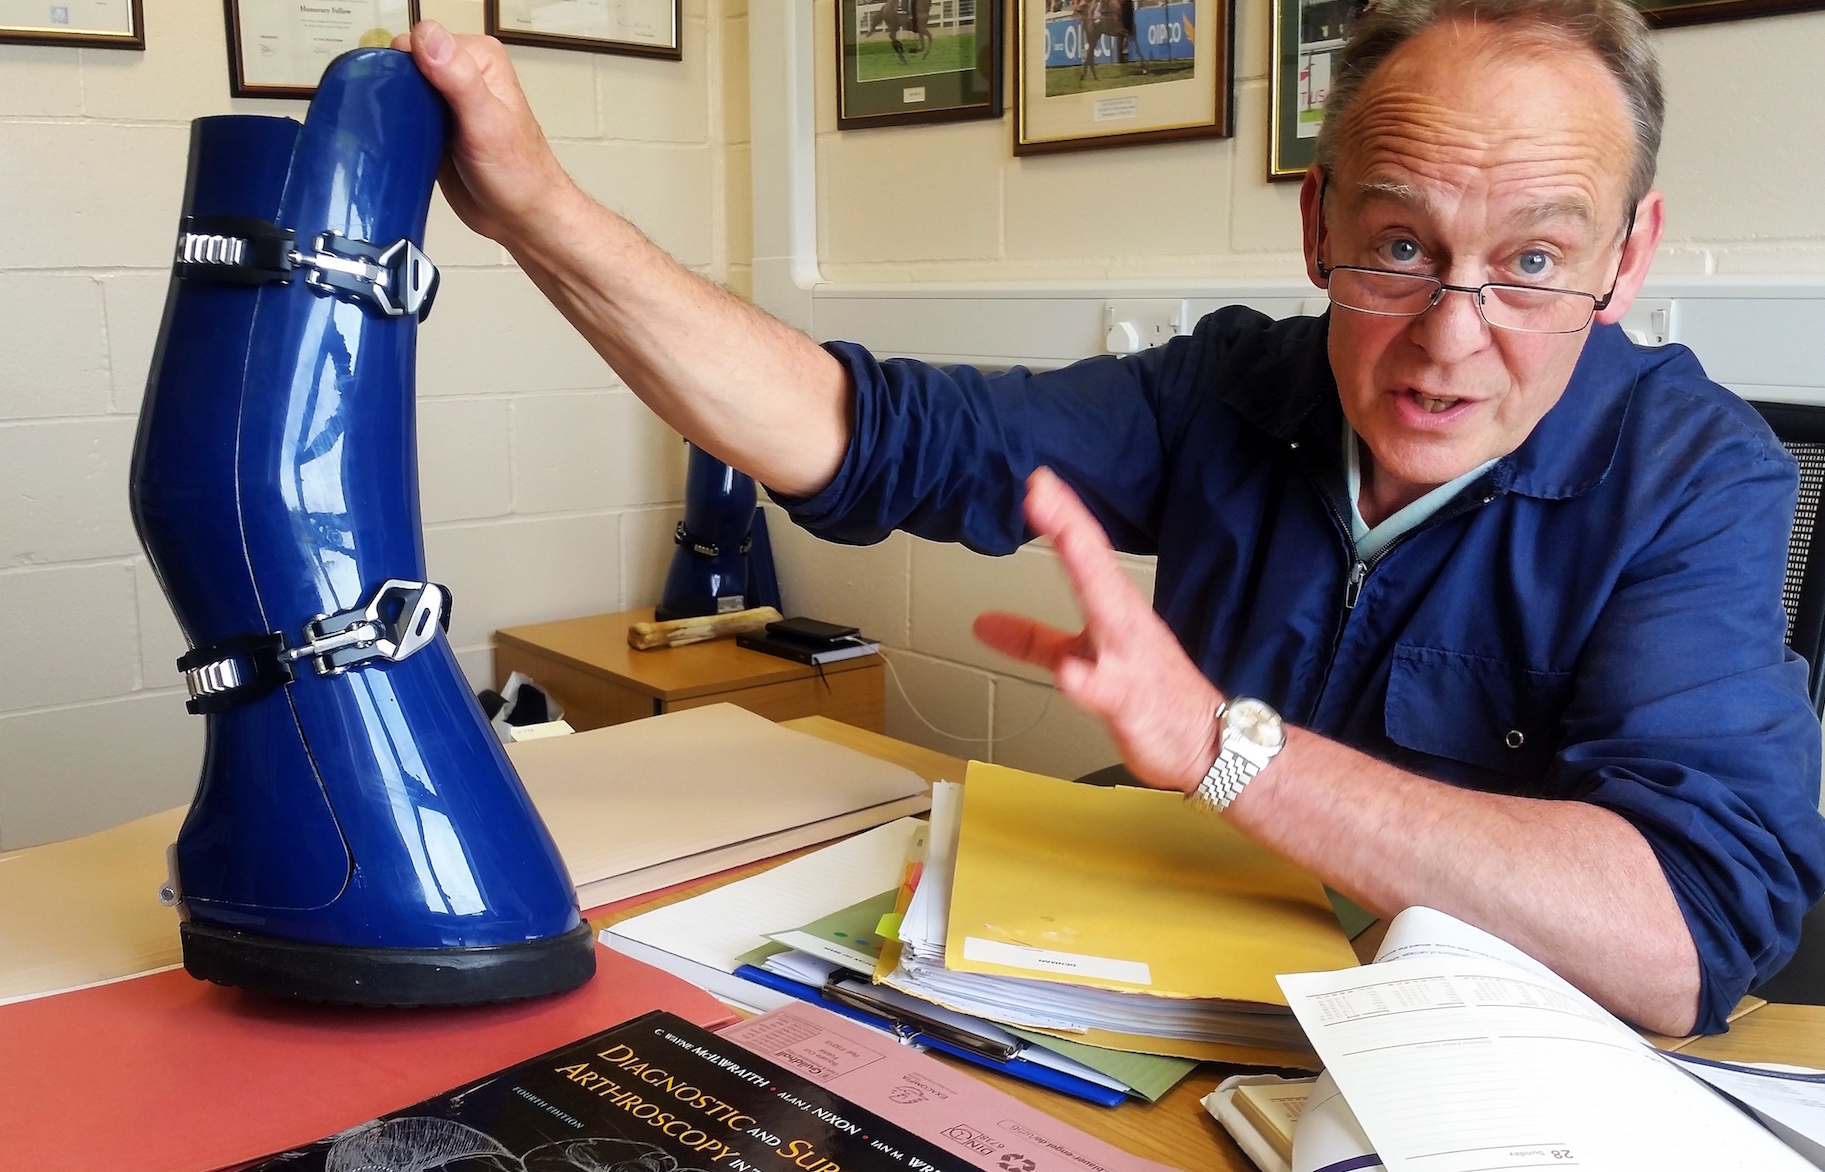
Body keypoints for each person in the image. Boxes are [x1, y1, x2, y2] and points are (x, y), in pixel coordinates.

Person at [396, 0, 1825, 1037]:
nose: (1449, 343)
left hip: (1460, 1070)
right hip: (1162, 1011)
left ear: (1629, 255)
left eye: (1529, 263)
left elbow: (1684, 939)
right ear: (1316, 222)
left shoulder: (1696, 476)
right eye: (1397, 248)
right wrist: (535, 209)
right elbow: (867, 431)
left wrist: (1223, 751)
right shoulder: (1227, 390)